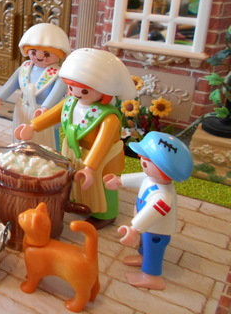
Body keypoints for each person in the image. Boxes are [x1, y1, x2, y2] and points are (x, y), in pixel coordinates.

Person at [15, 48, 137, 228]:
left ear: (105, 92)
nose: (76, 93)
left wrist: (91, 167)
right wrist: (32, 126)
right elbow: (52, 115)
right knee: (74, 179)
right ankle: (78, 202)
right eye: (71, 87)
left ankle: (105, 214)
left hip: (101, 157)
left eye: (84, 91)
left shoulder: (108, 118)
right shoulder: (71, 102)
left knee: (102, 184)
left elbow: (102, 144)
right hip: (74, 148)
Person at [103, 132, 193, 290]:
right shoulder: (150, 178)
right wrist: (119, 180)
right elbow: (140, 178)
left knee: (153, 251)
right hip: (147, 229)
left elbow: (151, 213)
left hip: (156, 231)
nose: (142, 162)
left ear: (162, 170)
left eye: (145, 161)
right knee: (144, 245)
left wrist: (134, 229)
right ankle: (142, 257)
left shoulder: (163, 196)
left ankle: (151, 276)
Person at [0, 23, 70, 148]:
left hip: (44, 113)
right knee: (20, 136)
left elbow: (56, 94)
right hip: (23, 109)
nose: (39, 57)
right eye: (33, 52)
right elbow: (11, 84)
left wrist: (45, 108)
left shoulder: (59, 75)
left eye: (47, 54)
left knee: (45, 141)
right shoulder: (24, 68)